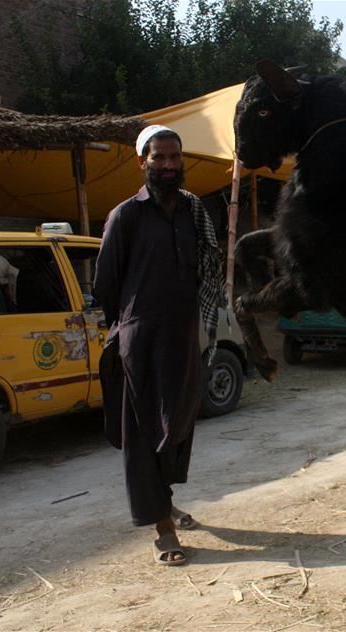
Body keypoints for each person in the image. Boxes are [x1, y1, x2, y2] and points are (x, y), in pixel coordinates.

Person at [95, 125, 226, 566]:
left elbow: (204, 271)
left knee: (176, 429)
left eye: (174, 157)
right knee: (144, 434)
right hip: (141, 343)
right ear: (142, 162)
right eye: (159, 158)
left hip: (182, 338)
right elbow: (106, 287)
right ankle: (163, 529)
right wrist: (133, 327)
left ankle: (164, 502)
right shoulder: (126, 216)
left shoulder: (193, 214)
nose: (169, 165)